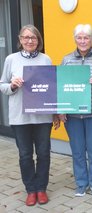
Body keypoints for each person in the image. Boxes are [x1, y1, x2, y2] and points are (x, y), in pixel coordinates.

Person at [0, 25, 59, 206]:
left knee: (43, 153)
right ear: (20, 40)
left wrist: (55, 113)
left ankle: (41, 188)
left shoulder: (46, 59)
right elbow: (2, 85)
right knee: (25, 155)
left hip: (42, 117)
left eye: (33, 37)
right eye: (26, 37)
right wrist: (13, 85)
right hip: (20, 117)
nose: (29, 41)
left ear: (38, 40)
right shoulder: (11, 59)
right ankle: (30, 190)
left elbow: (52, 88)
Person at [59, 24, 92, 197]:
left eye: (86, 37)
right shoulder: (67, 60)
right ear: (75, 39)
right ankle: (81, 183)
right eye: (79, 37)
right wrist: (61, 110)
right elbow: (61, 87)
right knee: (78, 150)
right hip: (73, 114)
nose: (83, 41)